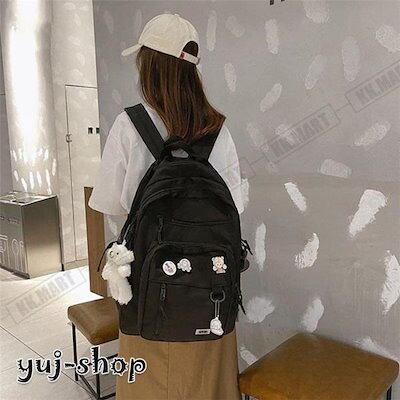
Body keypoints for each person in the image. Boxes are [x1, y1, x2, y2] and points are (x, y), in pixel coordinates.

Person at [89, 13, 244, 400]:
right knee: (209, 386)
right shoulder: (218, 130)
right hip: (210, 295)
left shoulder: (129, 126)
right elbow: (234, 206)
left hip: (147, 294)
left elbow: (111, 207)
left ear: (149, 66)